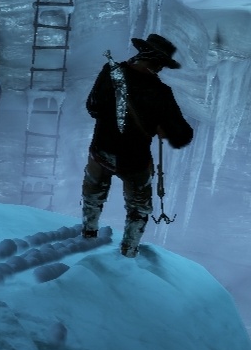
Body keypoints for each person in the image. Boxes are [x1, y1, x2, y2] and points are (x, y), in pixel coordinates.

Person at [82, 34, 194, 256]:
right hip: (134, 161)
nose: (160, 69)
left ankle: (88, 236)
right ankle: (128, 252)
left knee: (93, 196)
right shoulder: (161, 92)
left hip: (102, 150)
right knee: (139, 208)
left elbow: (93, 107)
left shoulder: (111, 71)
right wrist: (161, 127)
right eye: (160, 64)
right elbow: (182, 135)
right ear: (155, 62)